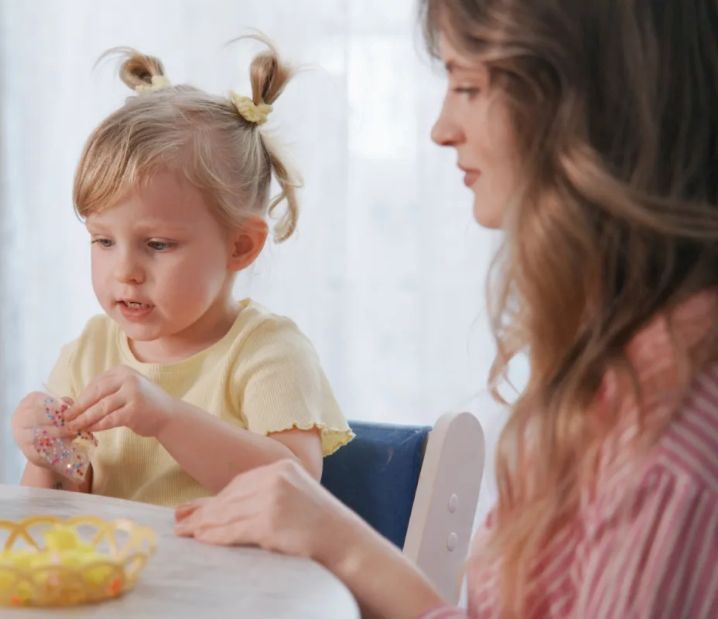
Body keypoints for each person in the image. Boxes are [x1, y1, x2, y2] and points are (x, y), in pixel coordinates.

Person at [175, 1, 718, 617]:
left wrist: (337, 539)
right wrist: (336, 537)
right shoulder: (614, 373)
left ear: (592, 102)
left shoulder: (668, 457)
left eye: (467, 86)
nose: (440, 129)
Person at [11, 39, 353, 508]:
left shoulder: (268, 353)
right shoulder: (88, 353)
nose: (125, 271)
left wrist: (167, 418)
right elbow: (55, 513)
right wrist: (48, 455)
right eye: (103, 241)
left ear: (240, 245)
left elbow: (295, 488)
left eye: (157, 245)